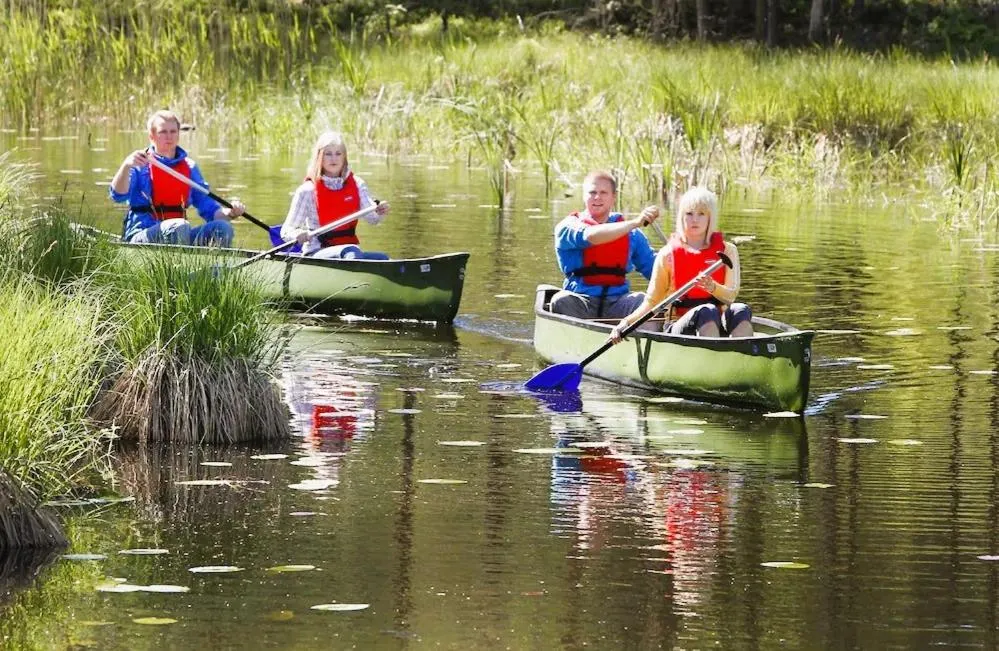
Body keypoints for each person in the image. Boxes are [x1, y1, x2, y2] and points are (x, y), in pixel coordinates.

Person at [610, 186, 753, 343]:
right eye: (689, 213)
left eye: (701, 214)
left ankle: (747, 356)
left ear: (710, 217)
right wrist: (625, 323)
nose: (695, 220)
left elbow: (730, 296)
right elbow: (652, 302)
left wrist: (713, 287)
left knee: (741, 309)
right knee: (707, 311)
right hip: (678, 326)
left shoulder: (728, 251)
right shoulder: (667, 255)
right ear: (681, 216)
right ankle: (712, 358)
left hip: (717, 323)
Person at [110, 109, 244, 246]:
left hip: (180, 234)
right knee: (179, 226)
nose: (169, 136)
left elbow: (210, 210)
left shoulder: (189, 167)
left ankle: (216, 267)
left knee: (222, 227)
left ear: (178, 134)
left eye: (173, 131)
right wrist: (126, 166)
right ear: (152, 136)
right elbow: (118, 195)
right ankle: (176, 265)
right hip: (141, 235)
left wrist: (230, 212)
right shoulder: (140, 163)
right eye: (163, 132)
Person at [550, 170, 660, 321]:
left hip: (618, 303)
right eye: (592, 192)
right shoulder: (568, 227)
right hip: (581, 301)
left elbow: (655, 270)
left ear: (613, 197)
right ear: (584, 196)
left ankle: (641, 339)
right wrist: (636, 222)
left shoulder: (632, 235)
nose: (597, 197)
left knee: (643, 301)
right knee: (560, 300)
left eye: (603, 192)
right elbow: (590, 235)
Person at [279, 131, 390, 260]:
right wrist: (297, 234)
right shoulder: (307, 191)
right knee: (351, 252)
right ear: (319, 157)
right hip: (317, 252)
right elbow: (286, 230)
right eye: (328, 154)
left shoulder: (358, 185)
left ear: (344, 157)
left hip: (349, 253)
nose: (334, 158)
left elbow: (373, 219)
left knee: (383, 258)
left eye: (338, 153)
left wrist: (380, 211)